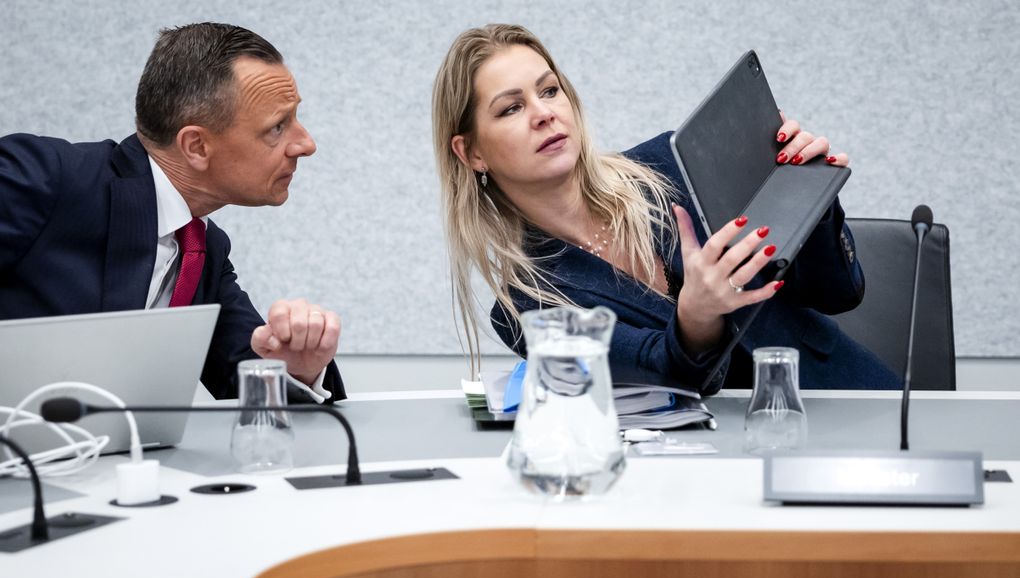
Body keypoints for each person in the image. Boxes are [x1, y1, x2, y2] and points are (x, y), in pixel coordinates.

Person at [431, 23, 900, 393]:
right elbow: (657, 373)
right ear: (472, 153)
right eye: (511, 108)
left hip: (841, 400)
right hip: (709, 474)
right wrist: (696, 318)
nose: (544, 113)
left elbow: (837, 293)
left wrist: (806, 190)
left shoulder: (672, 161)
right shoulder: (526, 308)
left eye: (549, 90)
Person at [0, 23, 345, 402]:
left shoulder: (204, 250)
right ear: (196, 146)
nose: (306, 144)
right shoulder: (42, 177)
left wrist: (301, 366)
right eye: (278, 126)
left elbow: (251, 382)